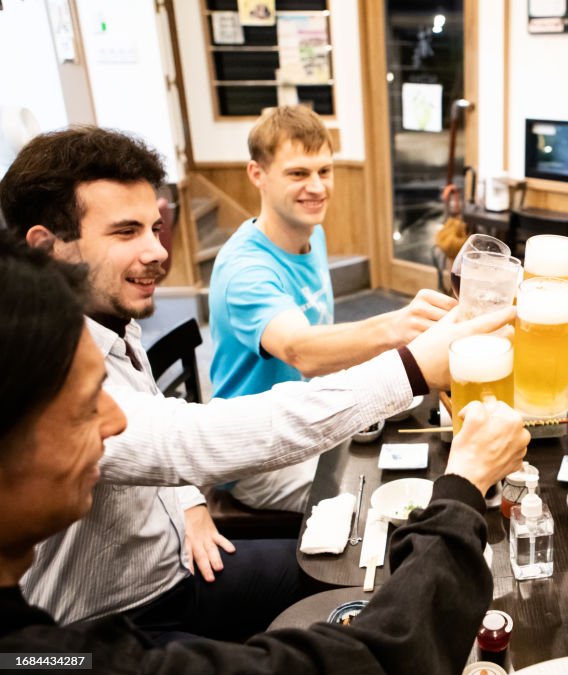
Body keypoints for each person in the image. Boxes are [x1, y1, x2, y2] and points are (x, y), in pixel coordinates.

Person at [0, 125, 512, 641]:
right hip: (96, 631)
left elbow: (157, 427)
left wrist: (188, 501)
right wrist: (411, 365)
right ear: (47, 248)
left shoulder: (110, 317)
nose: (157, 251)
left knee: (361, 577)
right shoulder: (37, 365)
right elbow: (188, 436)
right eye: (125, 232)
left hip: (178, 566)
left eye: (155, 228)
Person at [209, 105, 457, 512]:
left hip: (307, 415)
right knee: (377, 506)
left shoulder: (312, 233)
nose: (317, 187)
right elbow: (299, 349)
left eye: (324, 171)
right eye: (298, 174)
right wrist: (396, 326)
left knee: (419, 458)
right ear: (257, 174)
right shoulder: (245, 269)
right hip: (257, 453)